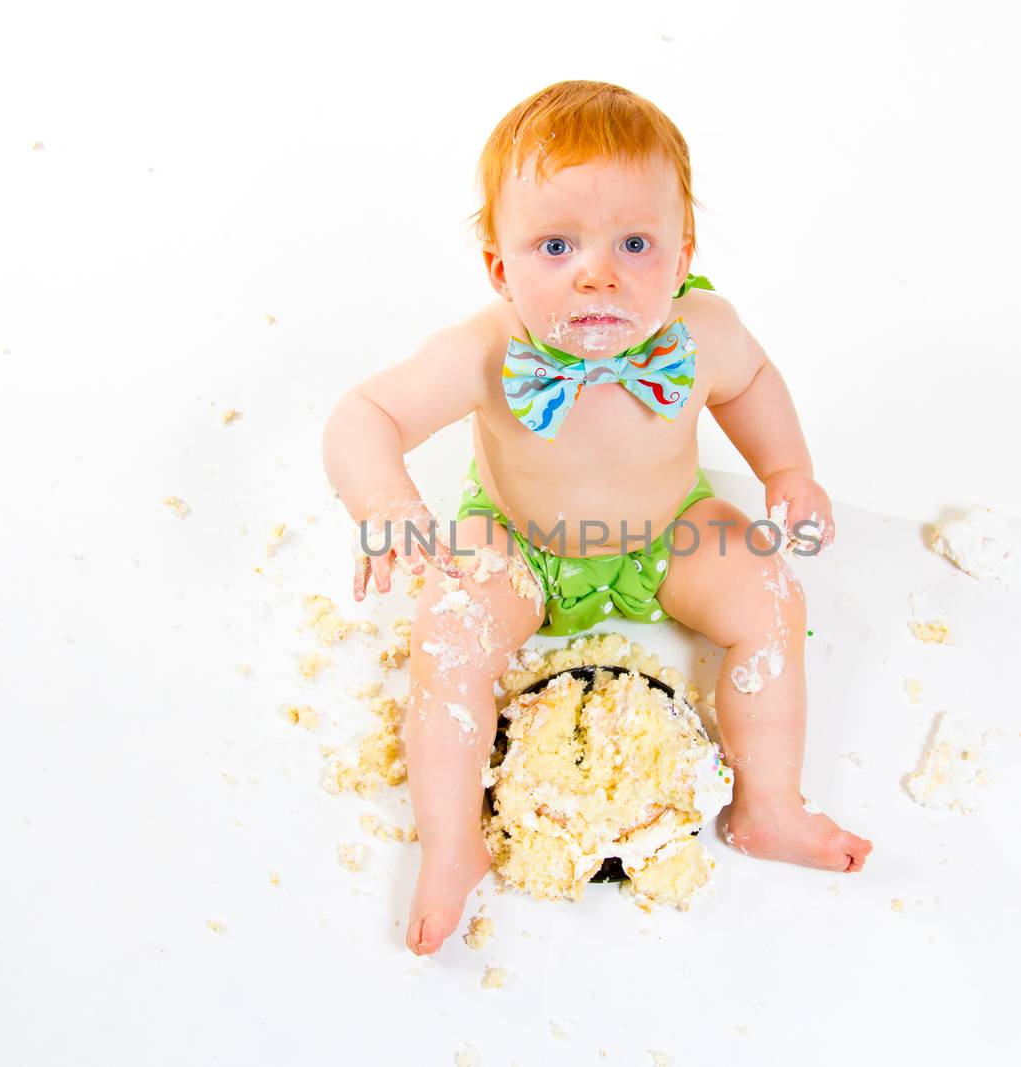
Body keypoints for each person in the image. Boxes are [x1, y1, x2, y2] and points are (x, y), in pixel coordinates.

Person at [322, 80, 872, 957]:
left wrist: (788, 471)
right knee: (451, 635)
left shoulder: (704, 333)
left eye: (635, 242)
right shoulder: (487, 348)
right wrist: (384, 501)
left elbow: (754, 385)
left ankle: (769, 804)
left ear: (684, 248)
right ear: (500, 267)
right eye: (554, 244)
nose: (597, 271)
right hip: (522, 540)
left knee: (770, 595)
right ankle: (453, 841)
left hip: (667, 534)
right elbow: (365, 415)